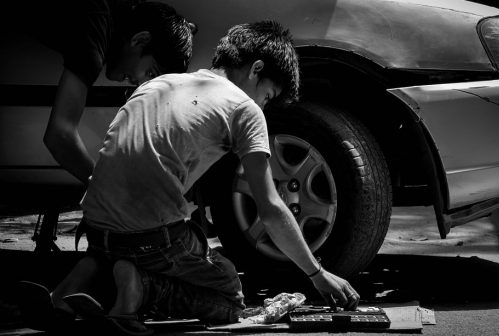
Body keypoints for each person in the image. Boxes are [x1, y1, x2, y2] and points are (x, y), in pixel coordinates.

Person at [19, 20, 360, 335]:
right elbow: (270, 208)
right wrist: (318, 274)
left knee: (139, 237)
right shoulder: (245, 109)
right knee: (228, 295)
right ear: (256, 70)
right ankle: (139, 287)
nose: (264, 105)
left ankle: (73, 286)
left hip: (95, 226)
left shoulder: (158, 84)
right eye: (268, 96)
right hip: (147, 238)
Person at [3, 0, 195, 186]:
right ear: (140, 39)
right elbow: (60, 135)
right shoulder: (95, 31)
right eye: (150, 73)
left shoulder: (125, 12)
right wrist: (108, 190)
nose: (140, 85)